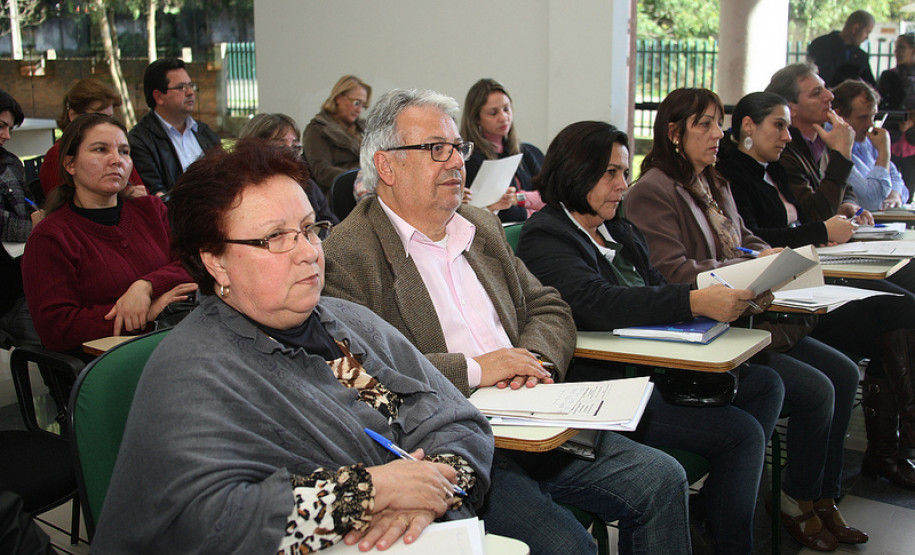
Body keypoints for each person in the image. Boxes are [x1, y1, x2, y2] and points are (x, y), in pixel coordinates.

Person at [323, 88, 690, 555]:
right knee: (568, 547)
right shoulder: (347, 255)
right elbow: (363, 373)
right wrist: (480, 369)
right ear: (387, 166)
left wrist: (532, 361)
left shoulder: (479, 225)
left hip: (536, 418)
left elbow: (549, 306)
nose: (455, 162)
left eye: (457, 148)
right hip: (453, 443)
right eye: (435, 149)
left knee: (663, 479)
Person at [91, 138, 493, 553]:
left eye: (308, 229)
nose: (308, 252)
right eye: (275, 237)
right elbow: (205, 523)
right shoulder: (190, 372)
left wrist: (426, 498)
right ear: (216, 261)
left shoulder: (348, 323)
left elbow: (460, 422)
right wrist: (371, 491)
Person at [516, 120, 785, 555]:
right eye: (611, 173)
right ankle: (726, 538)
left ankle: (713, 509)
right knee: (743, 434)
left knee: (766, 384)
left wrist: (729, 295)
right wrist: (695, 302)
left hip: (653, 369)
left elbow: (656, 285)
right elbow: (595, 302)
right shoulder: (545, 235)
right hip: (606, 386)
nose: (623, 185)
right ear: (576, 171)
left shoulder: (619, 228)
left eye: (625, 172)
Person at [627, 88, 868, 552]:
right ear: (674, 133)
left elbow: (744, 237)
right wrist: (749, 267)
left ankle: (818, 495)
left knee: (841, 373)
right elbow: (671, 273)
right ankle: (786, 500)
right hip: (710, 331)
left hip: (749, 319)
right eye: (705, 124)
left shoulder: (713, 182)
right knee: (816, 390)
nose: (719, 134)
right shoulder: (652, 191)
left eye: (719, 124)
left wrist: (766, 254)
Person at [718, 91, 915, 491]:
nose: (787, 136)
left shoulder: (773, 167)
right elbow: (760, 237)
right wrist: (822, 226)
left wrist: (839, 214)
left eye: (788, 127)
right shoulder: (732, 175)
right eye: (779, 126)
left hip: (808, 274)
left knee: (902, 308)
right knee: (898, 313)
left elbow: (811, 212)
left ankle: (884, 452)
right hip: (784, 294)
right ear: (748, 126)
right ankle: (882, 453)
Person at [21, 114, 197, 353]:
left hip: (177, 337)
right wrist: (146, 312)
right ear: (70, 164)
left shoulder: (151, 209)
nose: (117, 160)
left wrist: (146, 286)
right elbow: (57, 328)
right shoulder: (50, 237)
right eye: (100, 149)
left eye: (124, 151)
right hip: (110, 360)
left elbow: (191, 262)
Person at [764, 63, 869, 224]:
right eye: (816, 93)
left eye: (825, 88)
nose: (829, 96)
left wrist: (848, 203)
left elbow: (845, 188)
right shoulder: (782, 150)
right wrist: (842, 155)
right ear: (790, 109)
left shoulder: (824, 138)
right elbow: (815, 214)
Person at [39, 77, 147, 198]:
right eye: (98, 119)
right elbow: (60, 203)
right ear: (73, 116)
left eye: (110, 118)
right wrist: (125, 197)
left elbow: (142, 190)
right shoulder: (57, 155)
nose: (107, 125)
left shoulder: (117, 150)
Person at [128, 58, 221, 195]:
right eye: (181, 87)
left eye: (191, 85)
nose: (190, 92)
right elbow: (156, 195)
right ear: (158, 96)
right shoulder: (140, 140)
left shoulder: (203, 131)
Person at [460, 78, 545, 222]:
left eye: (506, 109)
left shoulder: (525, 151)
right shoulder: (471, 159)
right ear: (476, 118)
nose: (503, 117)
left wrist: (518, 199)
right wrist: (535, 212)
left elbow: (550, 197)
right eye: (493, 113)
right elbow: (505, 213)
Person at [238, 113, 339, 224]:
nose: (291, 154)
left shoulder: (308, 186)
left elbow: (333, 228)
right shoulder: (241, 191)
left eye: (295, 147)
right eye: (281, 147)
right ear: (253, 148)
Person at [831, 79, 908, 210]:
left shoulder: (865, 139)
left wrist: (895, 195)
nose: (870, 124)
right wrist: (884, 152)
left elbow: (897, 179)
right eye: (863, 117)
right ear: (838, 115)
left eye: (873, 116)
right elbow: (871, 201)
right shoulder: (833, 144)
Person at [302, 75, 371, 194]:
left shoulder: (364, 128)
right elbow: (322, 172)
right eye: (356, 103)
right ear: (339, 98)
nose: (359, 110)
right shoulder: (317, 129)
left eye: (362, 105)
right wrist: (361, 177)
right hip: (339, 194)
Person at [0, 89, 43, 242]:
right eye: (1, 126)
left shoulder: (11, 162)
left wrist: (37, 215)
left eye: (10, 129)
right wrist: (31, 226)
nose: (7, 136)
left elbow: (28, 203)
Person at [877, 33, 915, 192]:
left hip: (912, 140)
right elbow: (880, 108)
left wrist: (912, 119)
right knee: (888, 185)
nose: (896, 52)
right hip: (891, 137)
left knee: (910, 186)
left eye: (901, 47)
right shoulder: (888, 76)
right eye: (896, 48)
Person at [808, 10, 876, 87]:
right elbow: (823, 76)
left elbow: (871, 85)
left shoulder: (861, 56)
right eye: (867, 32)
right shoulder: (821, 45)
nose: (867, 37)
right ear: (855, 28)